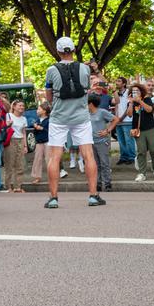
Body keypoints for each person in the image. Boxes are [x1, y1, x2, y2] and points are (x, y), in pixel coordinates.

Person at [44, 37, 105, 208]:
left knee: (54, 157)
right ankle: (93, 195)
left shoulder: (51, 70)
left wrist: (54, 105)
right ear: (73, 50)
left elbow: (49, 95)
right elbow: (89, 89)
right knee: (88, 155)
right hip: (80, 117)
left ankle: (53, 198)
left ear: (58, 51)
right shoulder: (85, 69)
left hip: (59, 117)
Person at [125, 83, 154, 182]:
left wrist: (140, 101)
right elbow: (129, 115)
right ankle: (142, 173)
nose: (135, 93)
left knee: (153, 149)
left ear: (141, 91)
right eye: (133, 91)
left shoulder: (147, 99)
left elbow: (149, 110)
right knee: (141, 151)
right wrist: (131, 103)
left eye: (137, 91)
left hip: (150, 128)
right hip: (138, 130)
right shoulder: (131, 102)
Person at [87, 94, 115, 192]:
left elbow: (115, 119)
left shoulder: (102, 112)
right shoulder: (87, 114)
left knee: (104, 163)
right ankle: (98, 184)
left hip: (102, 141)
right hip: (91, 142)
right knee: (95, 164)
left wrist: (107, 130)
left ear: (91, 104)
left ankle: (107, 183)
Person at [3, 99, 28, 192]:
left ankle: (18, 187)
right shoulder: (8, 116)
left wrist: (25, 146)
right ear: (14, 107)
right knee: (9, 164)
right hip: (10, 141)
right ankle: (8, 186)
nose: (22, 107)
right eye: (20, 105)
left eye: (23, 106)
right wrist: (8, 125)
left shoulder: (24, 119)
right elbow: (4, 128)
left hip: (20, 140)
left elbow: (24, 132)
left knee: (20, 165)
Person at [113, 77, 136, 165]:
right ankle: (124, 157)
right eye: (116, 80)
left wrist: (121, 118)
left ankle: (131, 157)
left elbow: (129, 107)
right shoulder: (116, 93)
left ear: (124, 84)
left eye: (119, 81)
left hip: (127, 120)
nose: (116, 82)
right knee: (121, 140)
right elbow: (116, 105)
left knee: (129, 140)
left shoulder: (128, 93)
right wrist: (116, 118)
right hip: (118, 121)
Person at [29, 102, 51, 184]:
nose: (37, 111)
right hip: (39, 142)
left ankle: (52, 176)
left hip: (47, 142)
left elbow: (50, 131)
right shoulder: (37, 120)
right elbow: (35, 132)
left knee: (49, 159)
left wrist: (41, 128)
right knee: (37, 159)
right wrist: (35, 128)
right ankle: (36, 176)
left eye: (39, 109)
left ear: (44, 111)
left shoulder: (49, 120)